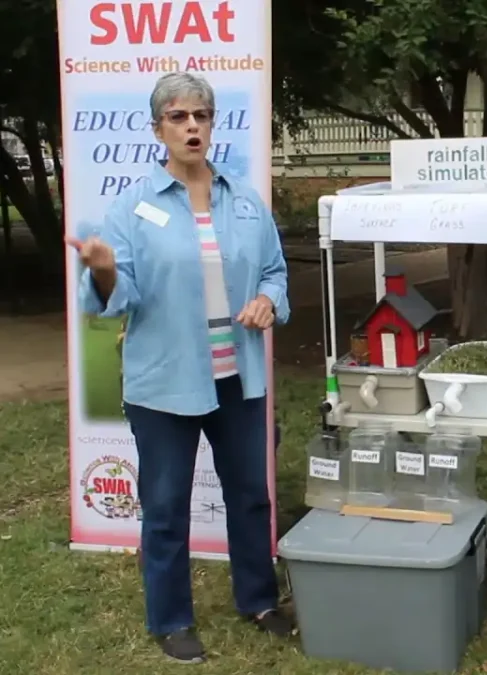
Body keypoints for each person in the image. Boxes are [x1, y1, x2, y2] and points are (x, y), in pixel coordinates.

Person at [66, 72, 293, 664]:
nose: (192, 126)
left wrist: (268, 299)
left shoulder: (243, 198)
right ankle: (170, 618)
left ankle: (259, 600)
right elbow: (108, 302)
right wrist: (104, 269)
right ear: (157, 128)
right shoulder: (132, 209)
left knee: (250, 495)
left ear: (213, 124)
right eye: (178, 116)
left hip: (237, 378)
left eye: (201, 115)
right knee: (165, 505)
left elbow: (275, 270)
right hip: (165, 383)